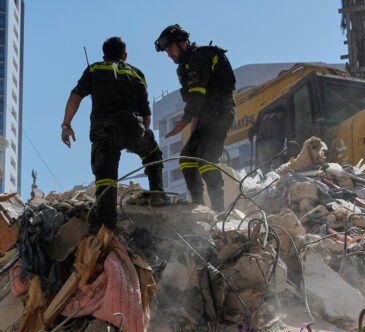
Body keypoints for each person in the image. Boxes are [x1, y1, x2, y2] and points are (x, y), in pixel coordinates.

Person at [61, 36, 164, 230]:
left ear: (104, 55)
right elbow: (146, 116)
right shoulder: (138, 74)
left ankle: (108, 225)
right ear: (124, 55)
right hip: (134, 128)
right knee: (153, 154)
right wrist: (138, 139)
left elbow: (75, 96)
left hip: (105, 131)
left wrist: (66, 125)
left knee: (106, 176)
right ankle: (158, 195)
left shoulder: (94, 69)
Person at [154, 24, 236, 212]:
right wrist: (193, 124)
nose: (169, 55)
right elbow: (197, 100)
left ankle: (218, 211)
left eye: (171, 49)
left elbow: (198, 94)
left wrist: (184, 120)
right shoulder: (189, 63)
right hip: (208, 114)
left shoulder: (198, 59)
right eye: (167, 51)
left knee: (208, 159)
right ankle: (199, 207)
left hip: (219, 112)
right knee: (187, 159)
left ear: (182, 43)